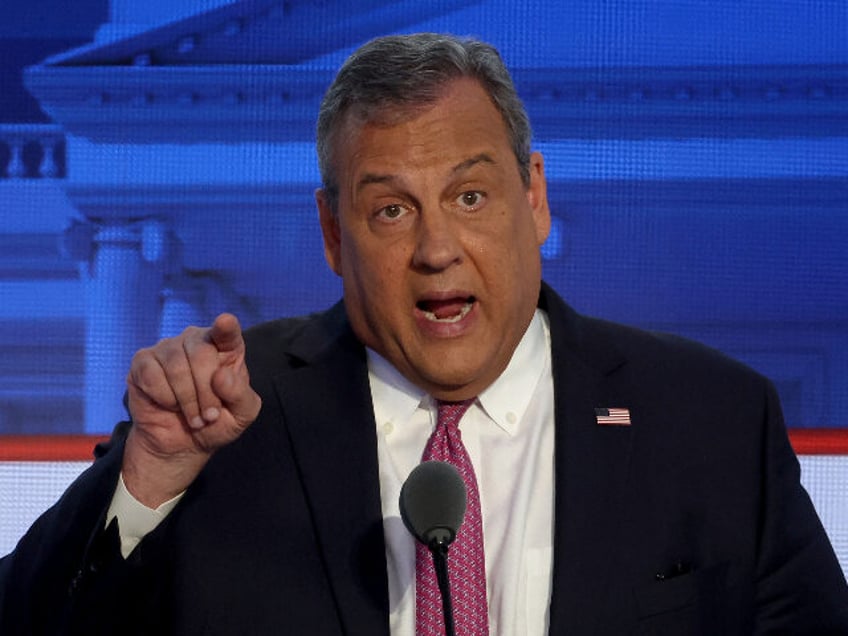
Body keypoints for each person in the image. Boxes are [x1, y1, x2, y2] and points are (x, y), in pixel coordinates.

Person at [1, 32, 847, 636]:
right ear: (334, 235)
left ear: (535, 196)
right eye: (391, 210)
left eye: (471, 197)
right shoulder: (224, 416)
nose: (437, 249)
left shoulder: (711, 421)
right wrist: (149, 483)